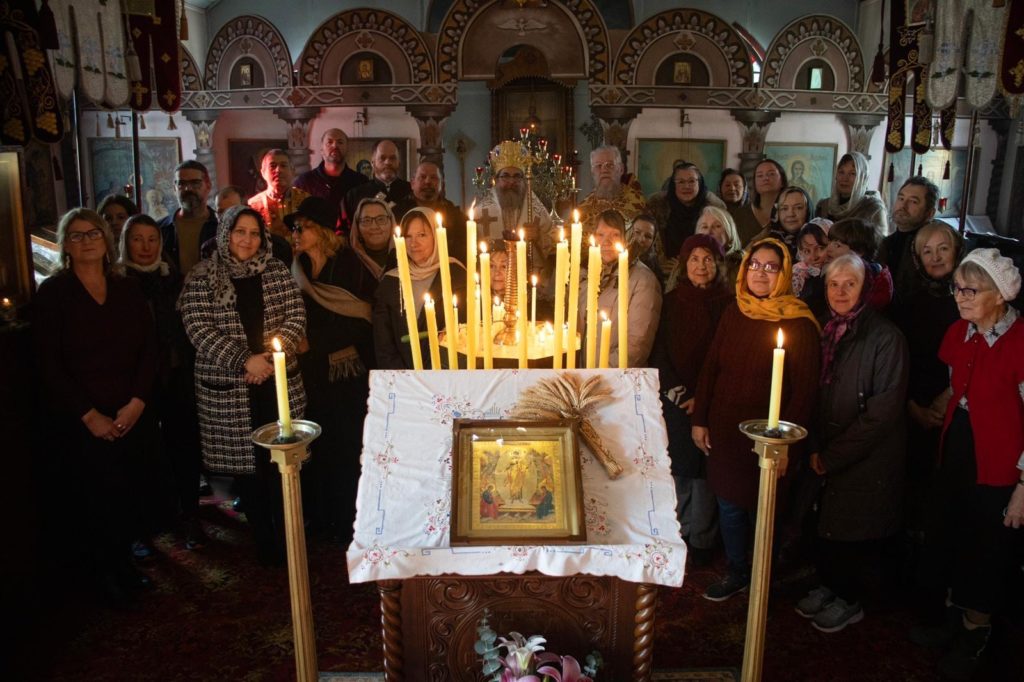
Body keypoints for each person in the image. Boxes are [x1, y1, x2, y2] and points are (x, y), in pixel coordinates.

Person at [34, 208, 159, 605]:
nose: (86, 241)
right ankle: (102, 575)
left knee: (127, 493)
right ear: (64, 246)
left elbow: (149, 349)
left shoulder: (126, 288)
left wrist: (138, 402)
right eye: (76, 235)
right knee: (93, 499)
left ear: (106, 240)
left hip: (129, 411)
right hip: (82, 418)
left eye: (93, 234)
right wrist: (89, 416)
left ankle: (125, 565)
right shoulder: (54, 294)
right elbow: (48, 363)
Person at [910, 249, 1024, 679]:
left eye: (970, 290)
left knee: (987, 550)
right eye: (957, 288)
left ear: (1000, 295)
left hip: (1000, 466)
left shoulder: (1021, 342)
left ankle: (977, 634)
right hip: (958, 447)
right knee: (948, 534)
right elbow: (955, 385)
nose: (960, 297)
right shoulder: (961, 331)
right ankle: (953, 620)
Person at [691, 238, 820, 601]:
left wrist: (782, 447)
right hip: (726, 432)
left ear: (784, 274)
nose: (760, 273)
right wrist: (700, 418)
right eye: (755, 265)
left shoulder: (798, 321)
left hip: (768, 437)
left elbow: (805, 391)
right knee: (729, 507)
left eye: (770, 267)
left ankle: (763, 575)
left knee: (764, 511)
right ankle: (737, 570)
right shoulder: (736, 310)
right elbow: (712, 366)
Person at [179, 205, 307, 565]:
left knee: (280, 465)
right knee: (249, 471)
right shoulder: (203, 277)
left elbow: (296, 314)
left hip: (274, 382)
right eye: (240, 232)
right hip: (232, 388)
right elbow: (199, 328)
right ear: (225, 235)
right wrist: (243, 361)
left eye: (254, 233)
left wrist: (266, 360)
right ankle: (265, 542)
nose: (247, 240)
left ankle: (289, 540)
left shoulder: (277, 270)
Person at [796, 254, 908, 633]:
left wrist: (831, 455)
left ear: (865, 288)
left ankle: (850, 599)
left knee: (856, 531)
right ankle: (829, 586)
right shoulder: (825, 327)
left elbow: (881, 414)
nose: (840, 292)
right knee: (829, 524)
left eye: (850, 284)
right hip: (826, 445)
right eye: (833, 284)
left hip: (866, 455)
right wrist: (814, 446)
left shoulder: (885, 338)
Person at [286, 197, 376, 543]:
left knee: (345, 446)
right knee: (315, 446)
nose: (294, 234)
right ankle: (320, 518)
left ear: (320, 231)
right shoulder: (297, 268)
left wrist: (316, 342)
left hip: (347, 375)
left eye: (301, 227)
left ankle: (348, 519)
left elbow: (363, 319)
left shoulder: (349, 265)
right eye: (293, 228)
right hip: (310, 374)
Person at [117, 214, 205, 549]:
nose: (145, 246)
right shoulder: (117, 281)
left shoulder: (174, 280)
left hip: (176, 374)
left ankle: (189, 516)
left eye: (152, 239)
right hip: (133, 381)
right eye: (137, 239)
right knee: (140, 452)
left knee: (183, 446)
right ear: (126, 242)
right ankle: (144, 526)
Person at [651, 234, 732, 567]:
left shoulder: (729, 304)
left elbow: (726, 356)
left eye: (708, 259)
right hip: (676, 401)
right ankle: (679, 532)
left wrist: (704, 399)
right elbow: (659, 353)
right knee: (679, 467)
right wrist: (682, 395)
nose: (701, 265)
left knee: (706, 471)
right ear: (684, 264)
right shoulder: (671, 302)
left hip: (712, 402)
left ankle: (702, 538)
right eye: (695, 259)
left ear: (718, 264)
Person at [372, 206, 467, 369]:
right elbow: (384, 344)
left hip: (448, 374)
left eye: (422, 235)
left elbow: (466, 330)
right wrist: (404, 378)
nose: (413, 243)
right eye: (408, 236)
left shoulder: (455, 274)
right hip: (404, 378)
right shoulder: (391, 282)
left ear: (436, 236)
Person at [577, 210, 662, 367]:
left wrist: (601, 376)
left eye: (615, 235)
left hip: (614, 380)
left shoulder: (644, 280)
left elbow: (636, 346)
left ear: (627, 238)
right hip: (581, 375)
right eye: (600, 234)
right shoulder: (584, 273)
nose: (606, 242)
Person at [474, 141, 555, 257]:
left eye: (517, 176)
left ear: (524, 180)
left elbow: (554, 244)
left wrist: (539, 236)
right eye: (505, 176)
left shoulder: (537, 212)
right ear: (496, 180)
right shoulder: (479, 213)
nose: (511, 182)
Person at [647, 162, 726, 267]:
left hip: (704, 267)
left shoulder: (716, 207)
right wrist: (663, 264)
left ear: (700, 182)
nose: (686, 186)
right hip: (664, 268)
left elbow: (721, 243)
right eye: (681, 182)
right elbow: (649, 241)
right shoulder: (656, 205)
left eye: (691, 181)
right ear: (673, 184)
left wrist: (687, 264)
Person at [878, 176, 939, 305]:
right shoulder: (885, 243)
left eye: (913, 201)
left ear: (930, 213)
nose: (903, 205)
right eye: (901, 198)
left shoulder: (933, 249)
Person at [293, 128, 368, 229]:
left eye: (340, 142)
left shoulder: (361, 182)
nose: (335, 146)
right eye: (329, 142)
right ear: (321, 150)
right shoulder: (304, 182)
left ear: (347, 148)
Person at [822, 217, 893, 316]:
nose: (828, 249)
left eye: (837, 245)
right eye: (829, 243)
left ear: (858, 252)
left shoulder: (869, 278)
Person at [158, 160, 218, 276]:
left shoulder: (222, 227)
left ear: (208, 186)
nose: (188, 189)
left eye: (195, 183)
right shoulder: (160, 229)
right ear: (174, 188)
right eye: (182, 184)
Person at [400, 161, 467, 258]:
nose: (428, 182)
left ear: (442, 185)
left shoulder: (454, 214)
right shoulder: (399, 212)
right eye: (422, 177)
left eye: (433, 178)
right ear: (412, 183)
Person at [576, 145, 648, 237]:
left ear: (621, 169)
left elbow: (650, 242)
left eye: (610, 165)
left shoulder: (638, 203)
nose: (604, 170)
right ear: (592, 172)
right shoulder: (583, 208)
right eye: (598, 166)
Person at [815, 152, 888, 236]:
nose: (845, 178)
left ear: (862, 178)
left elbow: (880, 244)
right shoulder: (824, 206)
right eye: (841, 172)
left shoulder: (873, 209)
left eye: (852, 173)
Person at [343, 139, 412, 229]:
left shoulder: (411, 191)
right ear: (373, 163)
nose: (387, 162)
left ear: (399, 163)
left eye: (392, 158)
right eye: (382, 158)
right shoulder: (355, 195)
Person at [247, 149, 311, 240]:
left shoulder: (306, 201)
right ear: (263, 172)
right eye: (272, 166)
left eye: (283, 165)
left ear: (293, 171)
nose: (278, 170)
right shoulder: (253, 206)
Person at [688, 206, 743, 293]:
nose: (709, 232)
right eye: (704, 227)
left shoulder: (742, 264)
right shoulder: (686, 262)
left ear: (729, 232)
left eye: (717, 226)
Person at [749, 186, 811, 258]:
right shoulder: (763, 245)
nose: (790, 214)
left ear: (808, 211)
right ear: (777, 212)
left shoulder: (821, 242)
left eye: (798, 208)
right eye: (784, 208)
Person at [349, 196, 397, 283]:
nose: (374, 227)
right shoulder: (347, 261)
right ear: (357, 227)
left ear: (392, 223)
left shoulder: (407, 255)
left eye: (381, 219)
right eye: (366, 221)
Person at [735, 159, 787, 237]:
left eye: (771, 174)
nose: (765, 178)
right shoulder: (739, 215)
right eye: (760, 175)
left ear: (782, 181)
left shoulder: (791, 213)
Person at [718, 168, 760, 245]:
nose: (732, 188)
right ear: (720, 188)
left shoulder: (754, 213)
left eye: (737, 185)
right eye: (727, 185)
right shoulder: (714, 213)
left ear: (744, 189)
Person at [627, 213, 664, 287]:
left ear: (653, 242)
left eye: (648, 236)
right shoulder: (612, 258)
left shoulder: (653, 274)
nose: (642, 239)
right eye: (637, 232)